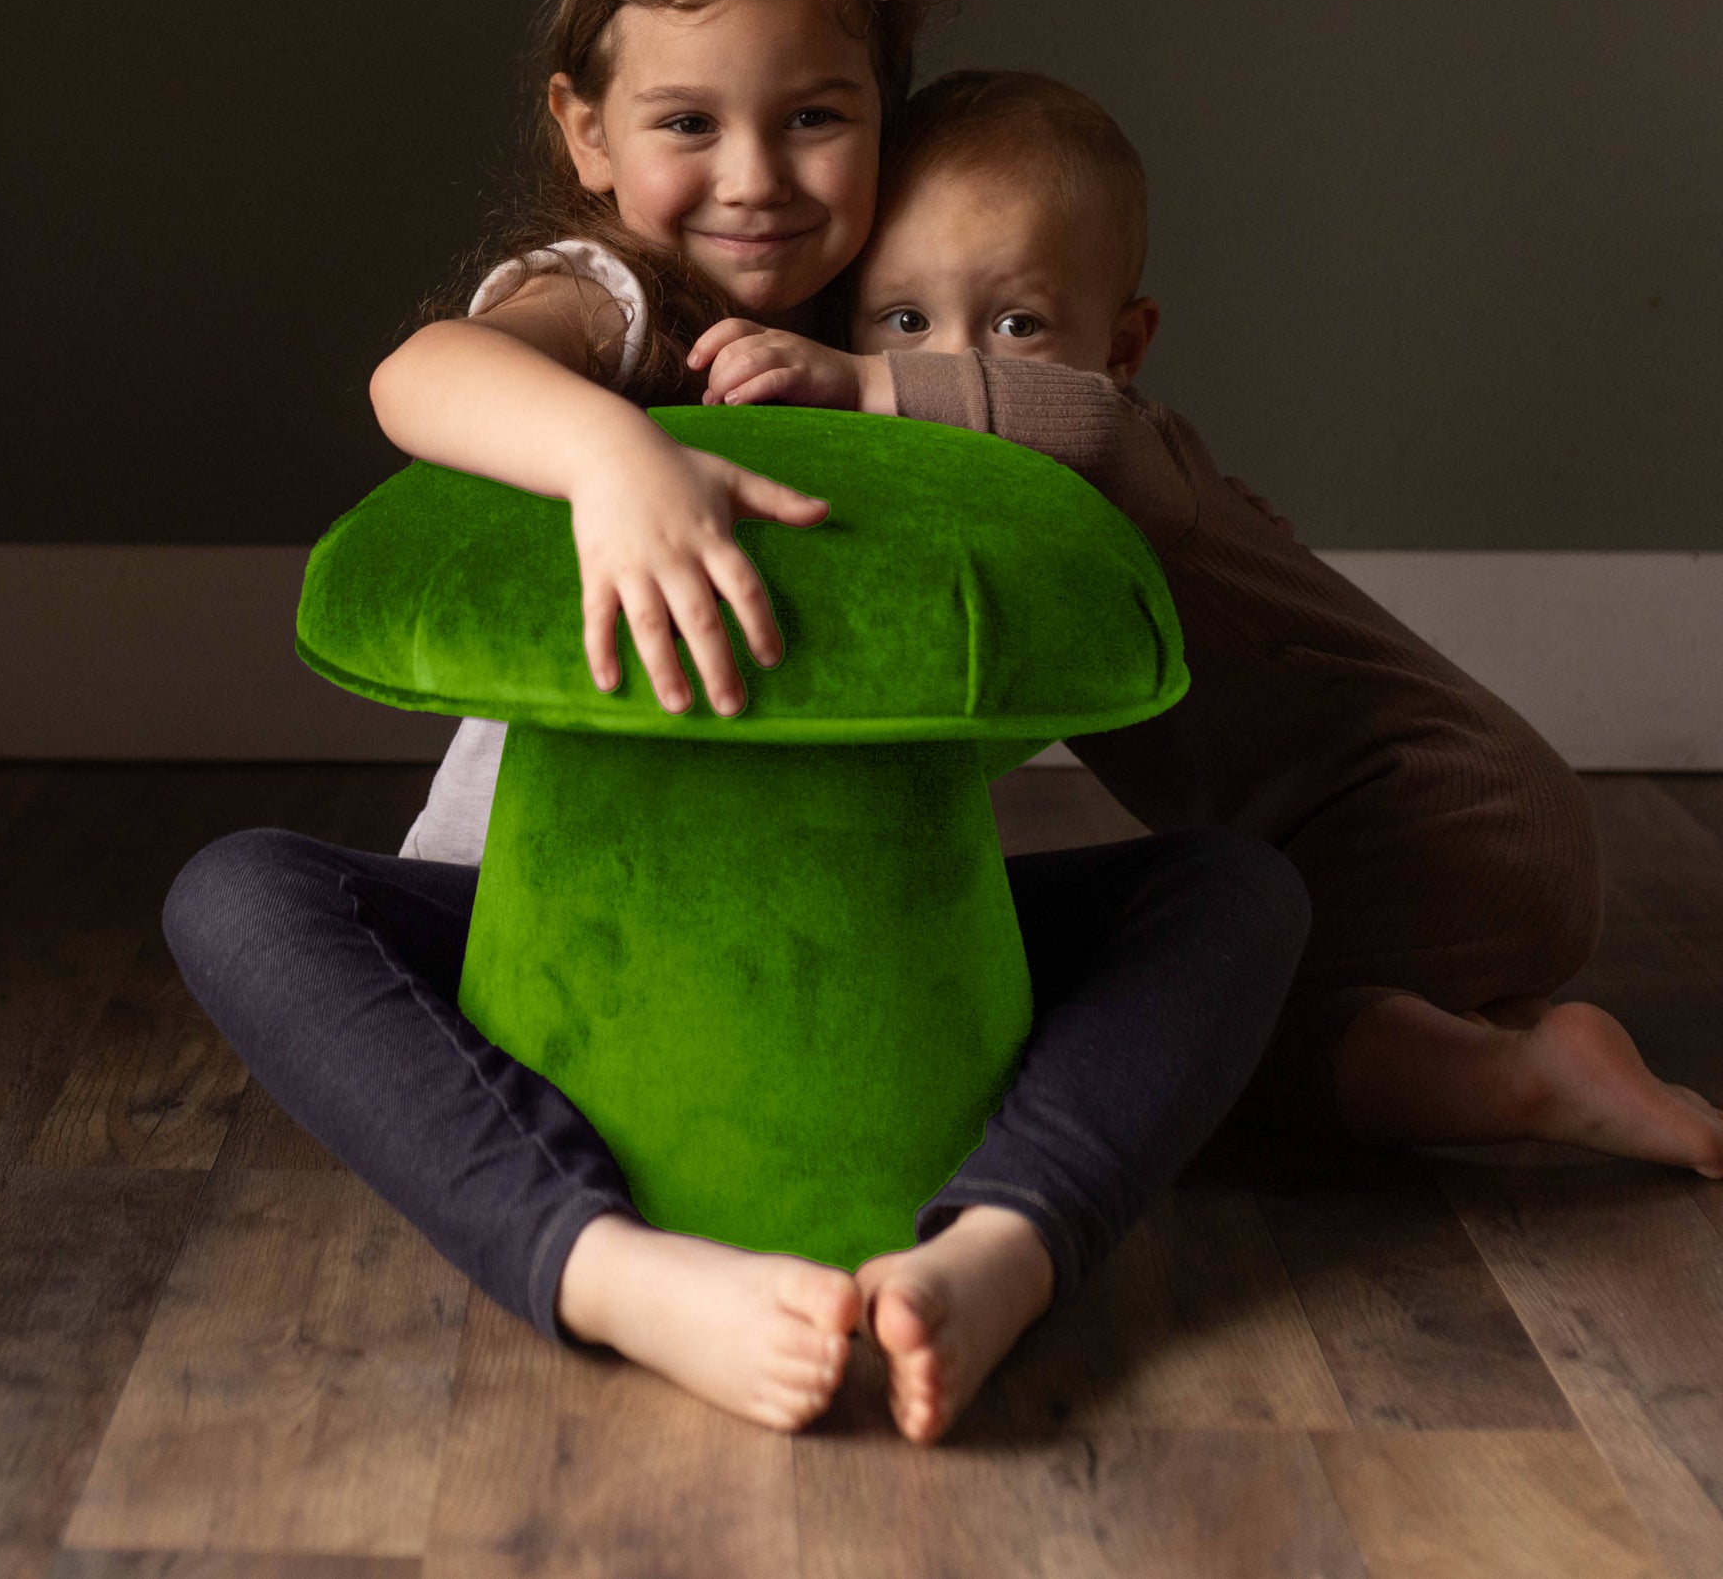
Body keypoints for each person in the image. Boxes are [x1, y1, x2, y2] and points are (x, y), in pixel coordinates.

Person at [164, 0, 1309, 1446]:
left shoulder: (889, 324)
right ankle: (603, 1263)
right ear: (586, 132)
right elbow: (420, 375)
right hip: (524, 909)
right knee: (238, 893)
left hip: (871, 919)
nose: (755, 175)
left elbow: (1095, 439)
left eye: (816, 117)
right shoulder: (616, 297)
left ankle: (1003, 1242)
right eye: (688, 122)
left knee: (1235, 892)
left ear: (885, 123)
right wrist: (614, 455)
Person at [691, 67, 1723, 1177]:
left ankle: (1519, 1079)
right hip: (1426, 834)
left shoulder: (1119, 442)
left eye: (1017, 322)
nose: (944, 361)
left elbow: (1078, 425)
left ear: (1122, 349)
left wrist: (857, 378)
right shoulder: (1075, 493)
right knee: (1271, 992)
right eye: (902, 318)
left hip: (1437, 813)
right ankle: (1474, 1025)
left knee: (1186, 1038)